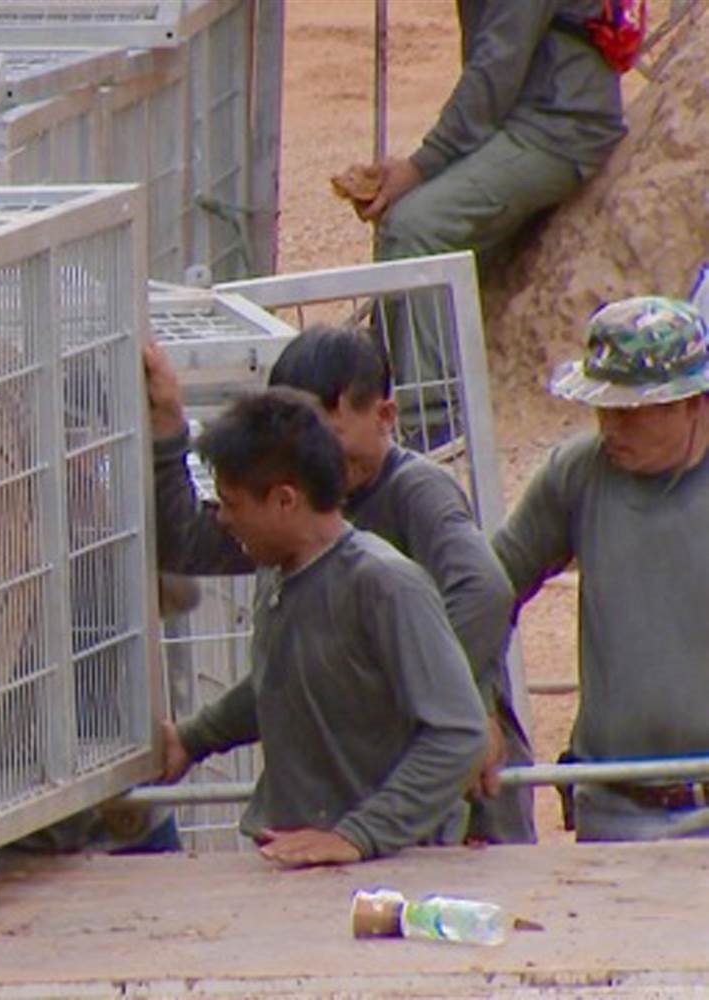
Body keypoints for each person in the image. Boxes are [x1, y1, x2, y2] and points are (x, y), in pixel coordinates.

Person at [148, 387, 489, 867]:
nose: (222, 519)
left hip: (390, 871)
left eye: (231, 503)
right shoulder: (279, 572)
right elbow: (283, 680)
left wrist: (359, 835)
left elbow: (459, 734)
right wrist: (194, 738)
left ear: (285, 500)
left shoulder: (385, 585)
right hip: (299, 858)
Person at [359, 0, 626, 442]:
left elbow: (495, 69)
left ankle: (432, 424)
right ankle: (371, 393)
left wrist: (421, 166)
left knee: (417, 227)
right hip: (523, 117)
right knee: (404, 220)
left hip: (558, 127)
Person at [493, 296, 709, 842]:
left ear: (693, 404)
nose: (611, 427)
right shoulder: (577, 476)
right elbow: (484, 592)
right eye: (602, 407)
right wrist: (474, 709)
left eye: (632, 411)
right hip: (613, 809)